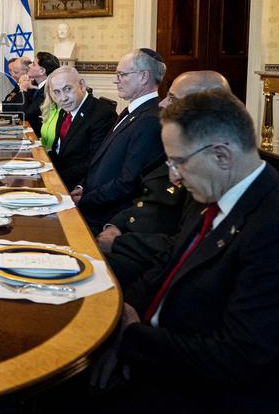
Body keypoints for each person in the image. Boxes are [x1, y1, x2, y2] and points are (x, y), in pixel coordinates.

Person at [90, 90, 279, 414]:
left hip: (220, 405)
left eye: (178, 162)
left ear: (221, 155)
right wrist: (125, 310)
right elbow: (164, 267)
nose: (173, 177)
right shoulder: (217, 195)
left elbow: (238, 359)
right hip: (166, 361)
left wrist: (132, 338)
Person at [98, 71, 230, 287]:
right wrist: (116, 224)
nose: (161, 104)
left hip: (145, 259)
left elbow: (183, 243)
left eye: (172, 99)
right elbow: (145, 194)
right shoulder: (179, 142)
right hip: (130, 236)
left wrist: (120, 242)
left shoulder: (205, 163)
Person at [71, 48, 165, 232]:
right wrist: (84, 186)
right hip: (94, 204)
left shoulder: (151, 120)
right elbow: (104, 160)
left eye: (122, 74)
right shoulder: (134, 111)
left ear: (144, 77)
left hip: (105, 217)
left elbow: (129, 182)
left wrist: (86, 199)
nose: (115, 80)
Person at [46, 66, 117, 188]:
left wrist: (54, 179)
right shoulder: (64, 111)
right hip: (59, 176)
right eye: (56, 92)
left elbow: (96, 162)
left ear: (82, 85)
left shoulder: (102, 114)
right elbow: (60, 153)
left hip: (79, 184)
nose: (63, 98)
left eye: (67, 89)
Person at [23, 52, 61, 135]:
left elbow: (26, 114)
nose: (29, 65)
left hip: (40, 135)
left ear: (42, 71)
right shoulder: (34, 84)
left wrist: (23, 90)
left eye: (33, 64)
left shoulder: (48, 90)